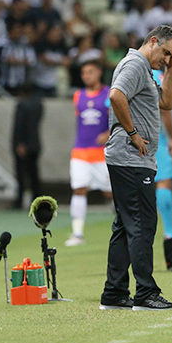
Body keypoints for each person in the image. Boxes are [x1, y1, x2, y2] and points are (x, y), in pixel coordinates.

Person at [100, 25, 172, 311]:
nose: (167, 60)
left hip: (131, 159)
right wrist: (133, 133)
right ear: (153, 41)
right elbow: (115, 95)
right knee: (143, 225)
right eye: (166, 53)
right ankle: (145, 294)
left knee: (125, 226)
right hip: (130, 157)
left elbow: (167, 103)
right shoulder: (135, 64)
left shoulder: (146, 68)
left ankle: (114, 293)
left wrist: (170, 69)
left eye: (171, 57)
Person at [65, 61, 112, 247]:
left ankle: (124, 225)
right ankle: (77, 233)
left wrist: (109, 134)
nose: (86, 76)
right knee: (79, 189)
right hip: (81, 152)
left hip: (102, 153)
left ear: (99, 72)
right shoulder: (78, 96)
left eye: (90, 72)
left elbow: (120, 117)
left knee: (111, 193)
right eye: (84, 73)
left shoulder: (109, 94)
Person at [154, 70, 172, 239]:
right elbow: (165, 109)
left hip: (127, 136)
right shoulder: (157, 75)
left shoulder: (124, 69)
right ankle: (169, 232)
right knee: (163, 182)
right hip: (155, 137)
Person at [12, 84, 43, 209]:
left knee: (21, 174)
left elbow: (19, 126)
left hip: (23, 145)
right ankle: (37, 201)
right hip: (35, 143)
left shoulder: (22, 105)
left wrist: (20, 143)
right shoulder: (39, 105)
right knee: (34, 174)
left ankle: (19, 201)